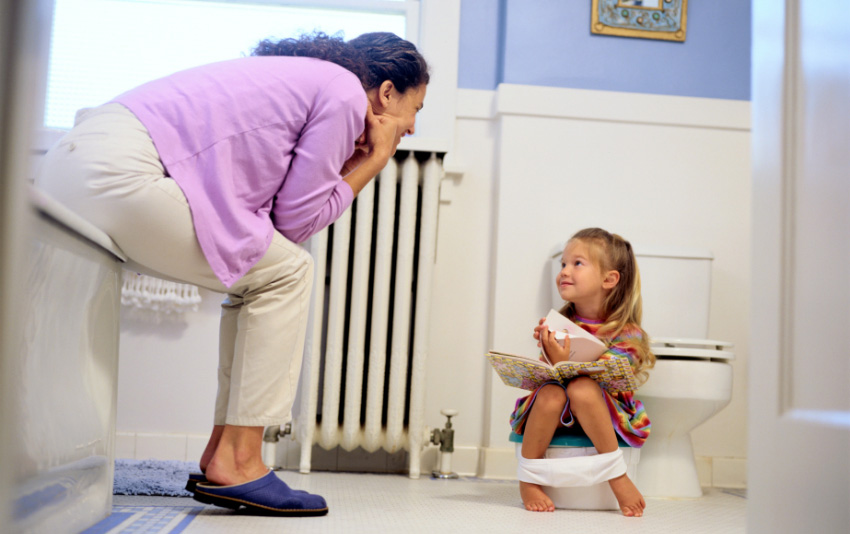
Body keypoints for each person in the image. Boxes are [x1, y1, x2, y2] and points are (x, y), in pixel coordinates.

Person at [35, 31, 429, 516]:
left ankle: (223, 452)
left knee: (261, 277)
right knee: (289, 273)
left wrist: (350, 161)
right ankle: (240, 459)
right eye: (417, 108)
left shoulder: (311, 81)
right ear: (387, 92)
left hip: (74, 168)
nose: (411, 127)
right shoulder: (345, 92)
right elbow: (295, 226)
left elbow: (279, 220)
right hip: (116, 173)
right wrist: (375, 159)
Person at [511, 228, 654, 516]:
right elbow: (548, 378)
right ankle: (529, 478)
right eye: (563, 263)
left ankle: (617, 474)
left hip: (604, 413)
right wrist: (551, 357)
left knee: (582, 388)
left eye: (577, 263)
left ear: (609, 279)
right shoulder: (558, 323)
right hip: (557, 413)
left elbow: (614, 380)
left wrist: (570, 364)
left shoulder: (628, 334)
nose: (564, 271)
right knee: (550, 393)